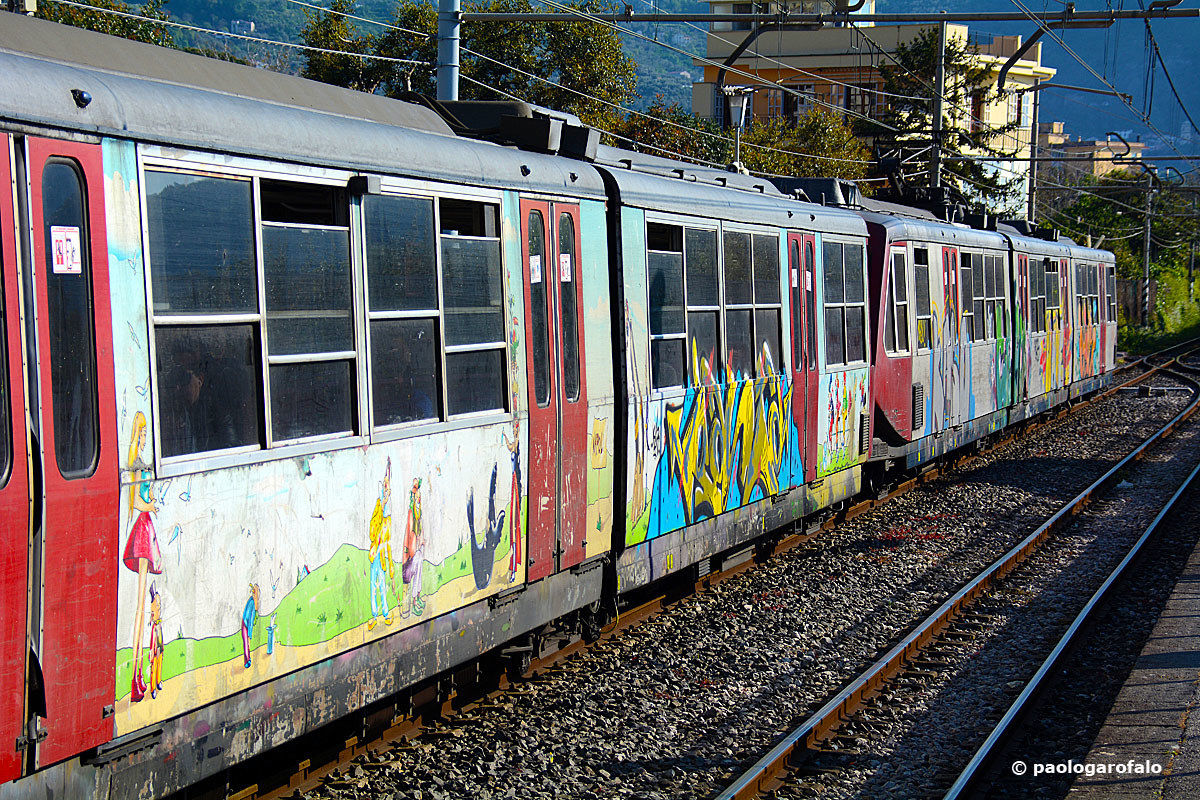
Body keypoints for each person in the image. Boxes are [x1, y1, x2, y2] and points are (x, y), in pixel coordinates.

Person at [122, 411, 161, 703]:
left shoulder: (141, 462)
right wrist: (151, 506)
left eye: (147, 433)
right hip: (142, 529)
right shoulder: (135, 463)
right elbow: (135, 500)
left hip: (147, 529)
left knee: (142, 608)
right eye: (142, 433)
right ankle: (135, 675)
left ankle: (139, 675)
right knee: (139, 608)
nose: (145, 438)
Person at [367, 460, 395, 630]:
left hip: (382, 554)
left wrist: (391, 562)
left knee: (382, 584)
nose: (386, 490)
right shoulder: (378, 508)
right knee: (373, 585)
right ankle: (374, 615)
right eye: (384, 487)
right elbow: (372, 531)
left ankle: (385, 613)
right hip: (375, 553)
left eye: (387, 487)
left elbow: (387, 539)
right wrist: (382, 504)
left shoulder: (387, 516)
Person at [241, 583, 260, 669]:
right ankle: (247, 660)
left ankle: (248, 660)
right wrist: (250, 632)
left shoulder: (253, 602)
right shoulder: (252, 602)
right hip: (245, 624)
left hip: (246, 624)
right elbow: (250, 619)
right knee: (246, 642)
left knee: (247, 643)